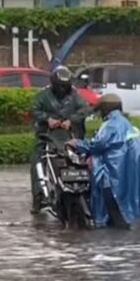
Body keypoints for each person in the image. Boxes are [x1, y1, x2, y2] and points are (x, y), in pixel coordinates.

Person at [70, 94, 140, 228]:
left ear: (105, 109)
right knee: (132, 202)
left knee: (116, 203)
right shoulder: (126, 123)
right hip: (136, 167)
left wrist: (77, 143)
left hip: (118, 168)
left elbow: (98, 145)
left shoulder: (110, 125)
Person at [30, 66, 91, 214]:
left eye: (66, 86)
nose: (63, 89)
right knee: (37, 162)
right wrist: (47, 119)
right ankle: (39, 198)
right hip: (47, 137)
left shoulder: (75, 95)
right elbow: (34, 109)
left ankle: (87, 193)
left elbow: (85, 109)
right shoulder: (43, 95)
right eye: (60, 86)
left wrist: (71, 120)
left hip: (71, 137)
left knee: (83, 161)